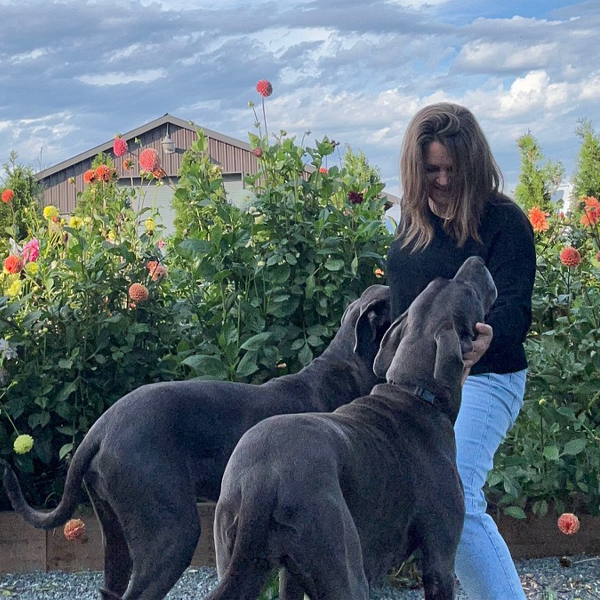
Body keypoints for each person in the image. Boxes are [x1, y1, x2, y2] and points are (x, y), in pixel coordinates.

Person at [386, 102, 536, 600]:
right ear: (416, 168)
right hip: (424, 390)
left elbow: (515, 309)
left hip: (491, 377)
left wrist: (491, 331)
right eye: (432, 170)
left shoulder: (506, 223)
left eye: (454, 169)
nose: (444, 180)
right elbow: (405, 327)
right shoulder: (407, 238)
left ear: (473, 166)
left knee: (460, 497)